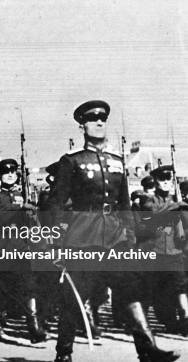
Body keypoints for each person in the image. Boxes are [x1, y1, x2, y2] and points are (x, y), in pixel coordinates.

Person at [48, 100, 180, 362]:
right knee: (75, 299)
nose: (99, 123)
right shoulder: (71, 162)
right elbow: (55, 206)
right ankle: (63, 354)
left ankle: (148, 349)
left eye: (102, 119)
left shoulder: (117, 162)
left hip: (115, 239)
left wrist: (130, 236)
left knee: (131, 291)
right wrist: (56, 243)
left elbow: (124, 205)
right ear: (82, 125)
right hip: (83, 240)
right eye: (92, 119)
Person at [0, 158, 47, 344]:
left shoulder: (22, 194)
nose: (10, 175)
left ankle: (33, 327)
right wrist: (21, 207)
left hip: (20, 248)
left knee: (28, 287)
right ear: (0, 176)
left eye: (13, 173)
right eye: (6, 173)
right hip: (0, 248)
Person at [138, 165, 188, 336]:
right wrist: (176, 207)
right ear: (156, 182)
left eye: (169, 179)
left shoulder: (178, 202)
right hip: (156, 253)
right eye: (162, 180)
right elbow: (149, 216)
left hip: (175, 252)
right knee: (159, 294)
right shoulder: (149, 200)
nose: (166, 183)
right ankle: (169, 322)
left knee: (180, 288)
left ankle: (185, 317)